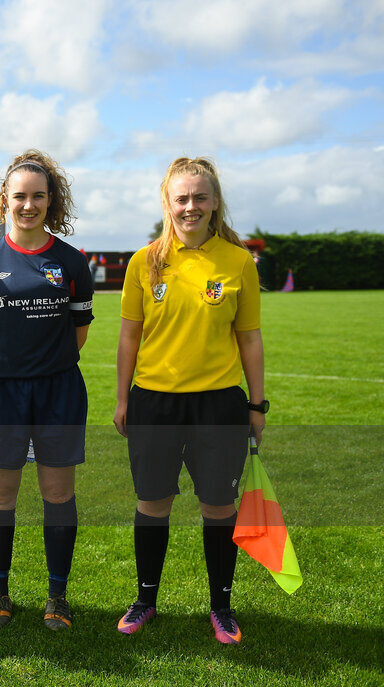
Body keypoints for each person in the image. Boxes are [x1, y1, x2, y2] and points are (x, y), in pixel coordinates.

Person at [113, 157, 266, 645]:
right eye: (181, 198)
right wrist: (122, 400)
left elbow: (250, 338)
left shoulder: (238, 261)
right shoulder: (145, 261)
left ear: (215, 202)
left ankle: (221, 605)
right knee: (153, 503)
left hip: (218, 404)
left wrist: (257, 405)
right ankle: (145, 599)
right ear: (167, 203)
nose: (190, 207)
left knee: (219, 506)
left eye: (200, 197)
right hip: (154, 403)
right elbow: (128, 338)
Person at [0, 149, 94, 630]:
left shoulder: (73, 262)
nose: (29, 205)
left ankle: (57, 597)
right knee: (1, 493)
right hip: (1, 393)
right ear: (4, 200)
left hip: (58, 391)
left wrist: (45, 366)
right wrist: (9, 368)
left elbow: (78, 332)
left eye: (38, 196)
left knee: (58, 493)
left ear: (51, 201)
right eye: (20, 196)